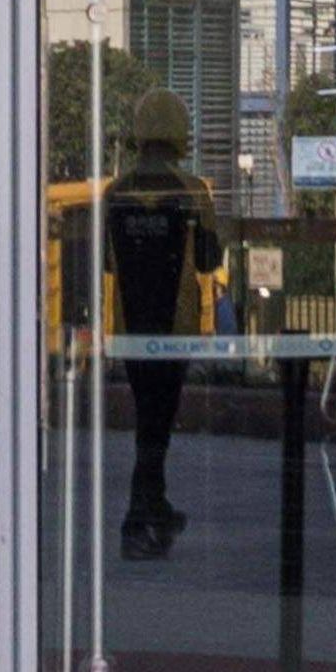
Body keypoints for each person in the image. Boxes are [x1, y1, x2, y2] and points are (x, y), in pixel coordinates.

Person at [101, 87, 221, 561]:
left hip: (130, 326)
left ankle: (156, 505)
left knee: (148, 419)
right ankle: (138, 520)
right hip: (175, 329)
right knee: (157, 424)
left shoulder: (115, 193)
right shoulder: (193, 191)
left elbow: (106, 263)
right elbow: (210, 259)